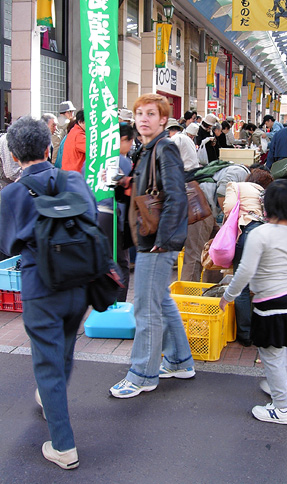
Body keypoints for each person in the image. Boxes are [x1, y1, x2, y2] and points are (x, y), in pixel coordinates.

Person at [0, 116, 98, 469]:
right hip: (79, 284)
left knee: (47, 364)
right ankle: (48, 395)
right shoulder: (73, 179)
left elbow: (7, 243)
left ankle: (63, 446)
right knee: (66, 346)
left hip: (41, 288)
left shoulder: (11, 194)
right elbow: (91, 217)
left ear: (13, 154)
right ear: (48, 147)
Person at [110, 94, 194, 399]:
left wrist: (162, 241)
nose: (143, 119)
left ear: (162, 120)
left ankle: (142, 374)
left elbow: (176, 196)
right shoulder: (147, 149)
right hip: (152, 238)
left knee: (145, 308)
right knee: (160, 301)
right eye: (139, 114)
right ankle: (180, 361)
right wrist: (124, 187)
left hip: (156, 241)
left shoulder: (164, 148)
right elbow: (148, 193)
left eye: (151, 114)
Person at [219, 180, 287, 424]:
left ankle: (281, 409)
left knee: (271, 353)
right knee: (278, 348)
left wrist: (228, 297)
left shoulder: (260, 233)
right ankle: (281, 387)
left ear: (267, 205)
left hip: (270, 302)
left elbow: (244, 272)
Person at [223, 168, 274, 346]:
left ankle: (245, 334)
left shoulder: (237, 186)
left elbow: (228, 208)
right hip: (268, 235)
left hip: (249, 232)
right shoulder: (267, 192)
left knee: (242, 286)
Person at [97, 123, 134, 301]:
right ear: (122, 140)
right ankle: (117, 308)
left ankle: (102, 304)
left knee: (103, 261)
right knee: (121, 264)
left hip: (94, 214)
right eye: (130, 141)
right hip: (111, 216)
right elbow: (124, 200)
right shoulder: (122, 161)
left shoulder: (95, 158)